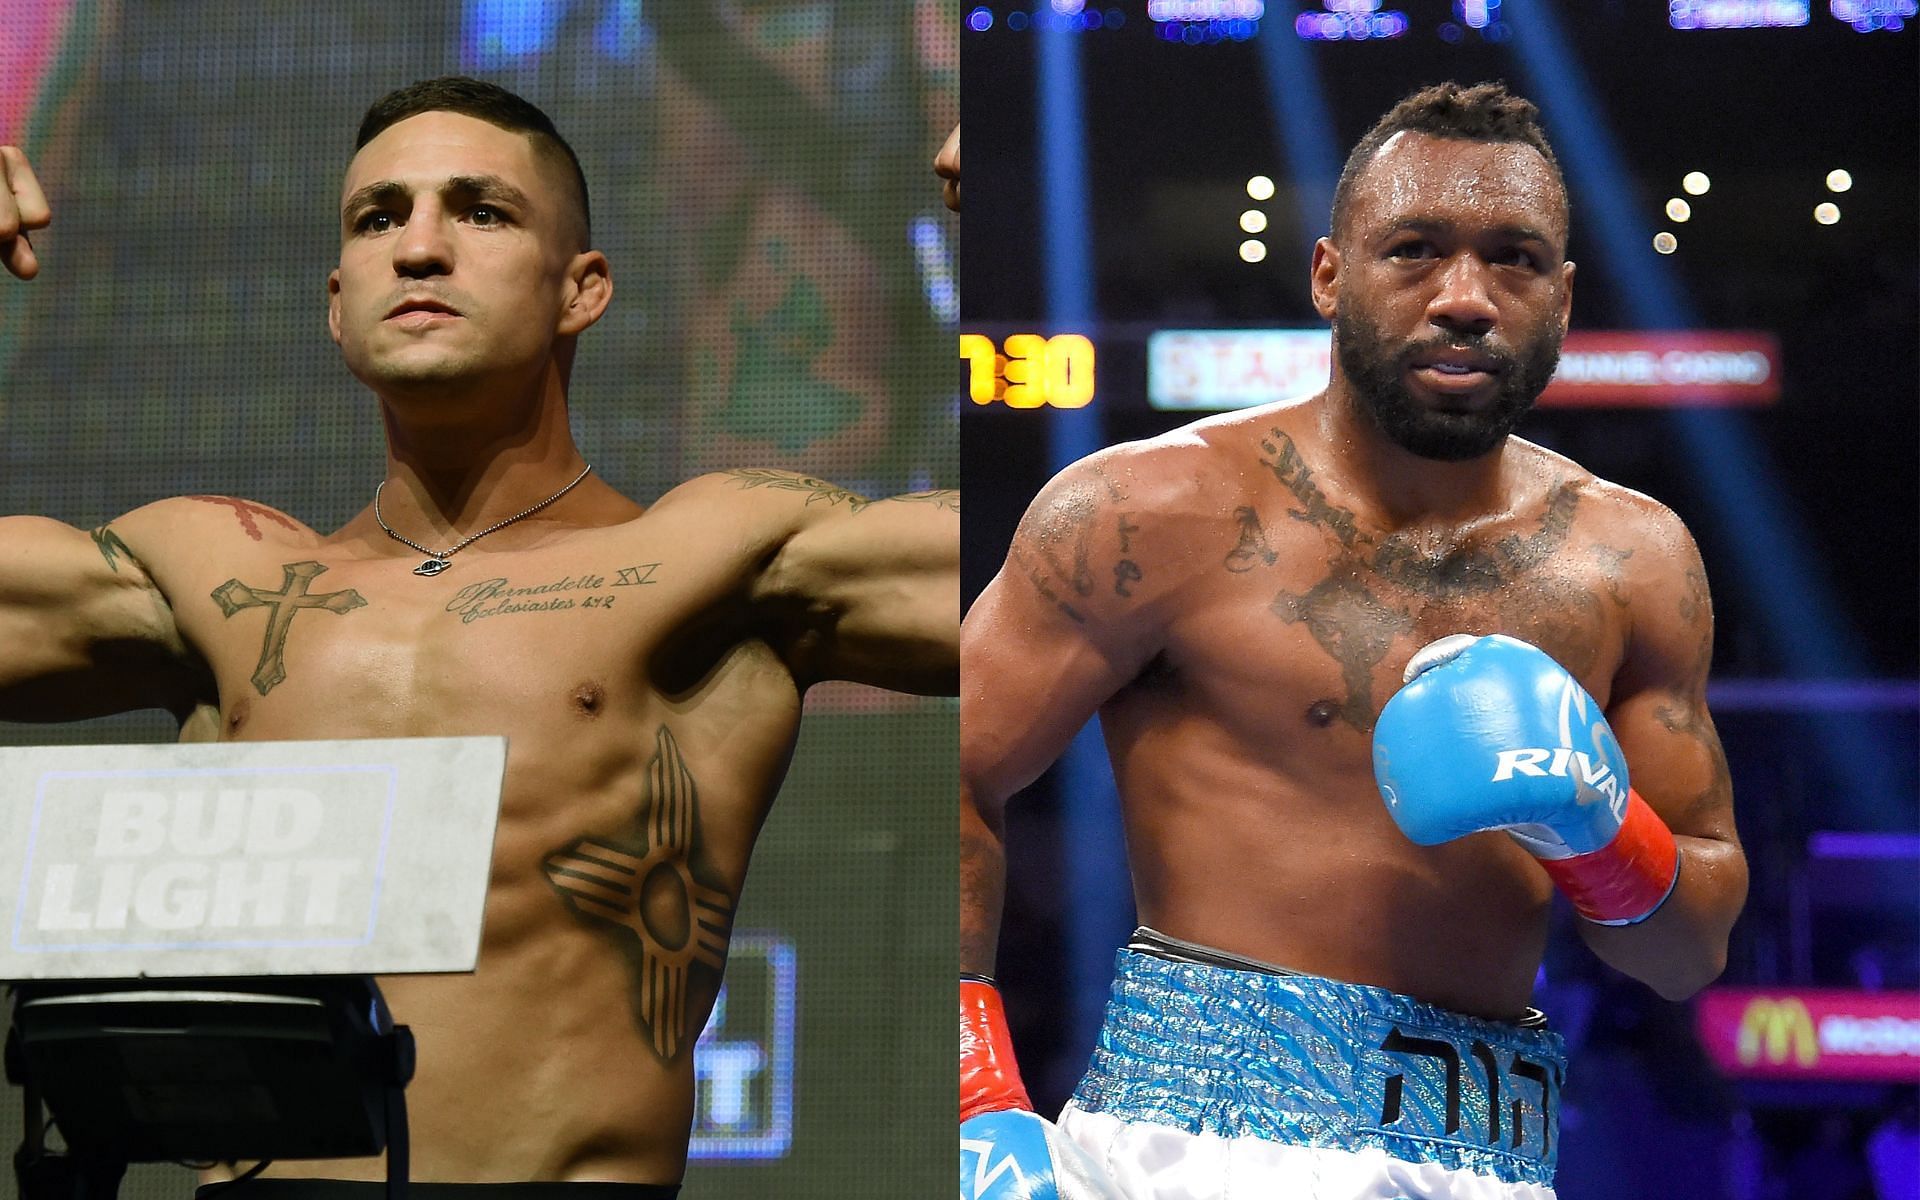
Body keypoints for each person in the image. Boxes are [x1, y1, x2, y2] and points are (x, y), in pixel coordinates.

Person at [0, 76, 957, 1196]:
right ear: (334, 299)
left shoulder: (718, 561)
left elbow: (1020, 578)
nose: (418, 248)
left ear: (581, 290)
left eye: (481, 212)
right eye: (378, 218)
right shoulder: (212, 578)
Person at [959, 82, 1747, 1200]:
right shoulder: (1150, 514)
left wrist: (1597, 826)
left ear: (1564, 297)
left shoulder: (1633, 561)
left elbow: (1688, 954)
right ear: (1329, 273)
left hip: (1493, 1165)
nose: (1465, 298)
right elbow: (944, 764)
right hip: (1177, 1163)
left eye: (1515, 259)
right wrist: (972, 1096)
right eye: (1416, 250)